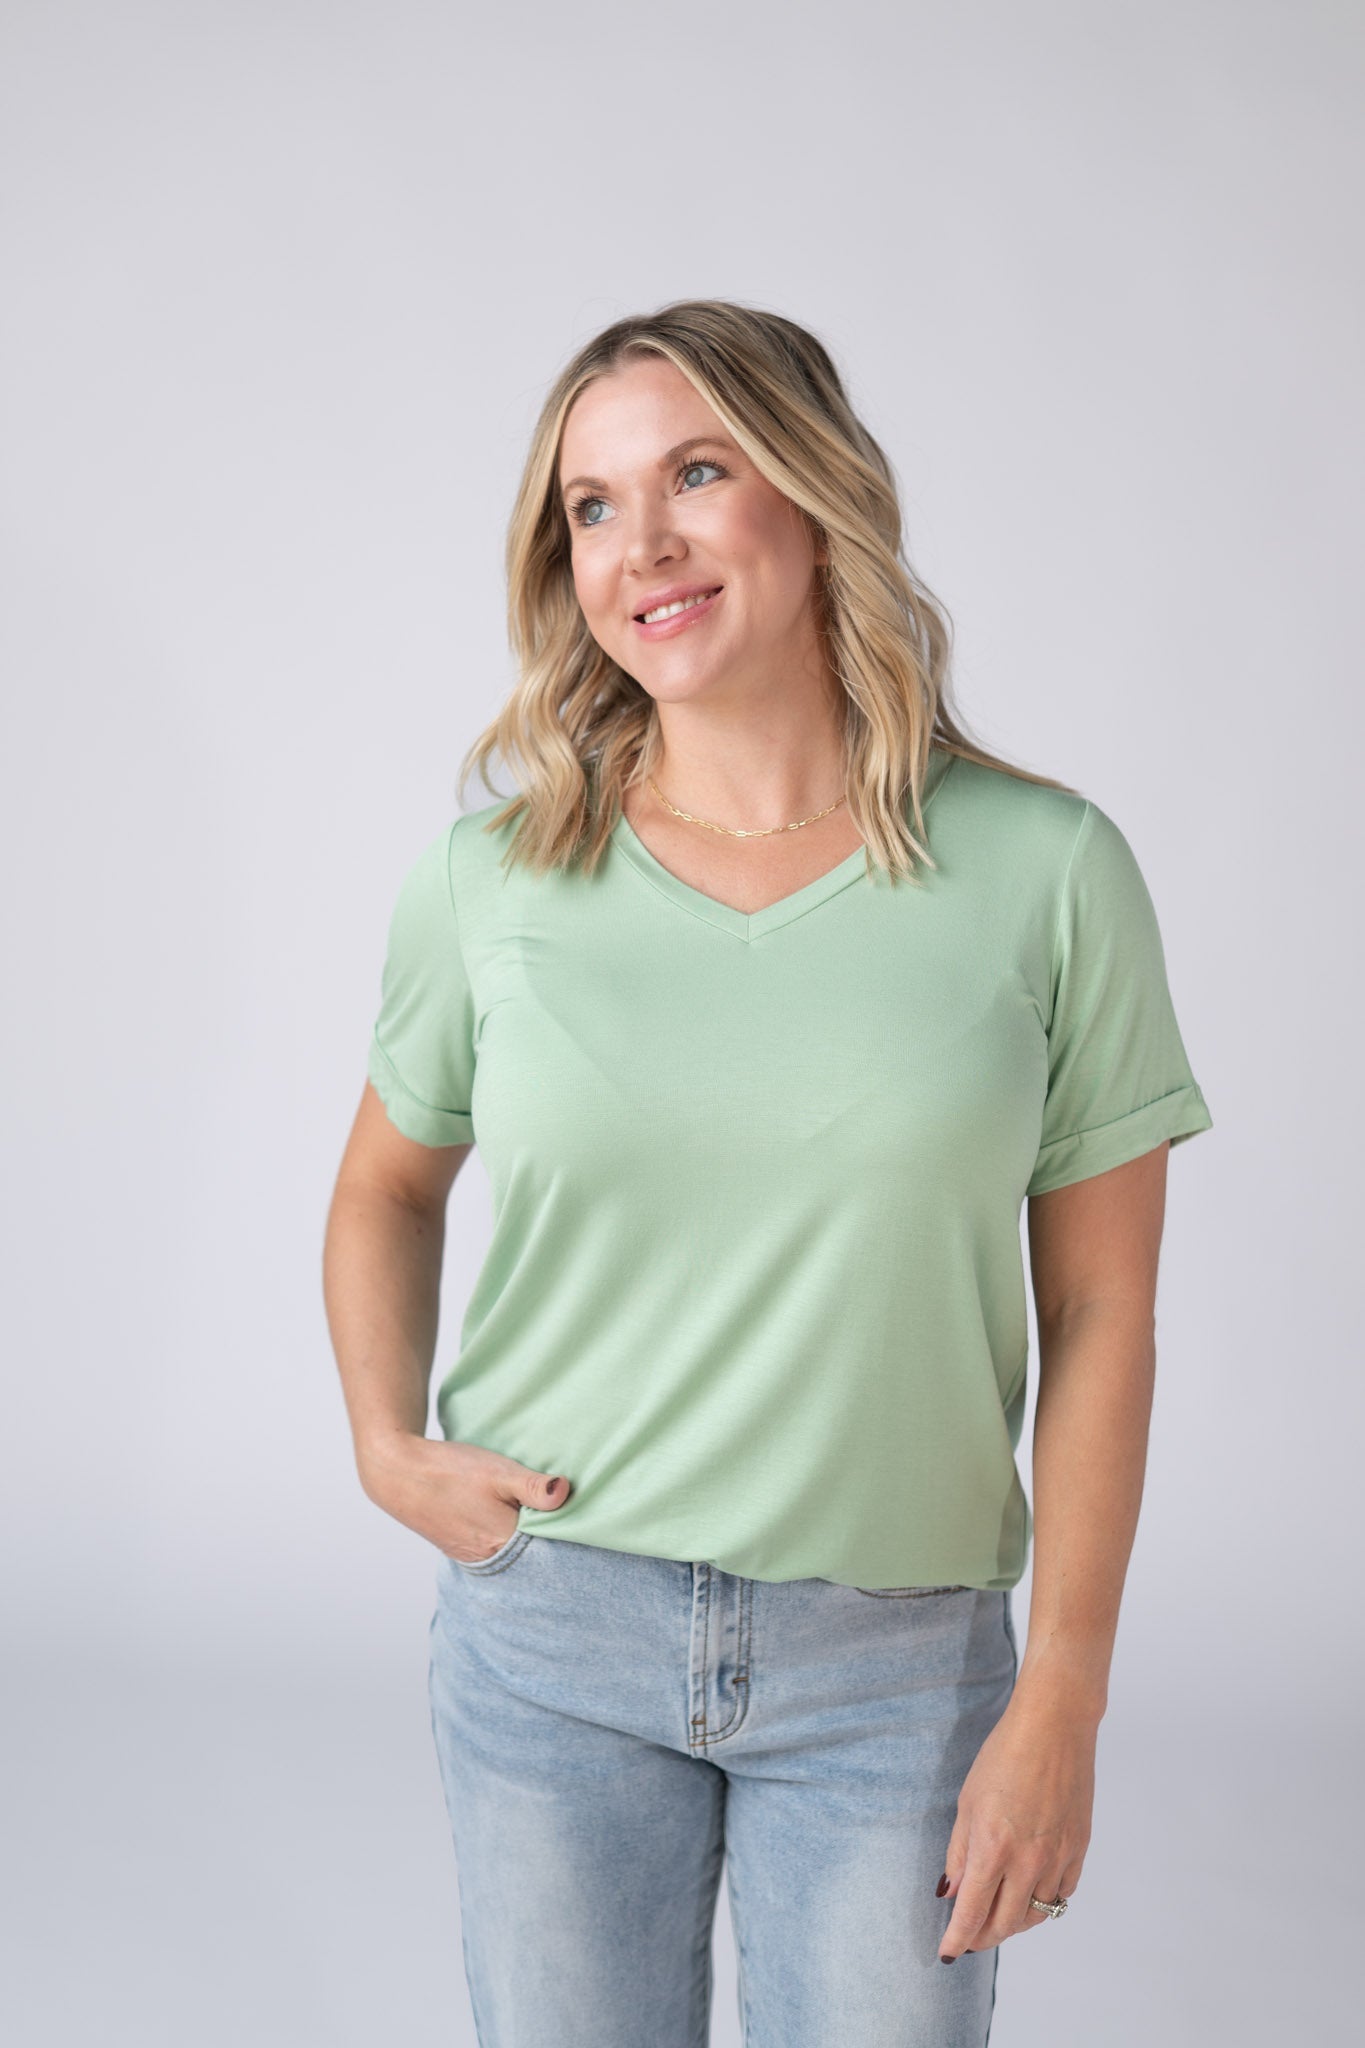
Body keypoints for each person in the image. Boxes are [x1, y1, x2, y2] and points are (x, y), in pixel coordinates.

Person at [322, 298, 1213, 2048]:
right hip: (553, 1636)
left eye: (695, 475)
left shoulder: (1044, 872)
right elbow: (384, 1187)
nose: (637, 545)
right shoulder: (491, 878)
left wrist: (1062, 1693)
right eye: (590, 506)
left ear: (813, 495)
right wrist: (382, 1440)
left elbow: (1104, 1310)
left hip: (894, 1672)